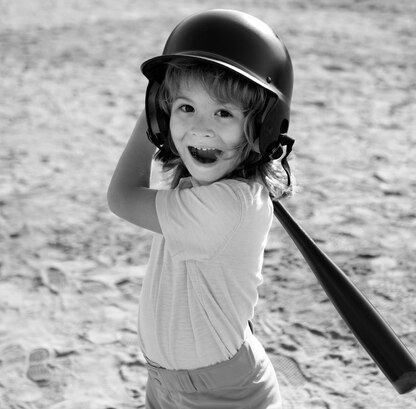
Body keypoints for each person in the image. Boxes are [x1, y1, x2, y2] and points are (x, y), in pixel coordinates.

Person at [107, 9, 295, 409]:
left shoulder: (228, 205)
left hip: (219, 395)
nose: (200, 128)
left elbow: (122, 196)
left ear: (262, 127)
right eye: (185, 108)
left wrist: (150, 117)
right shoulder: (209, 183)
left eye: (224, 113)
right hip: (169, 382)